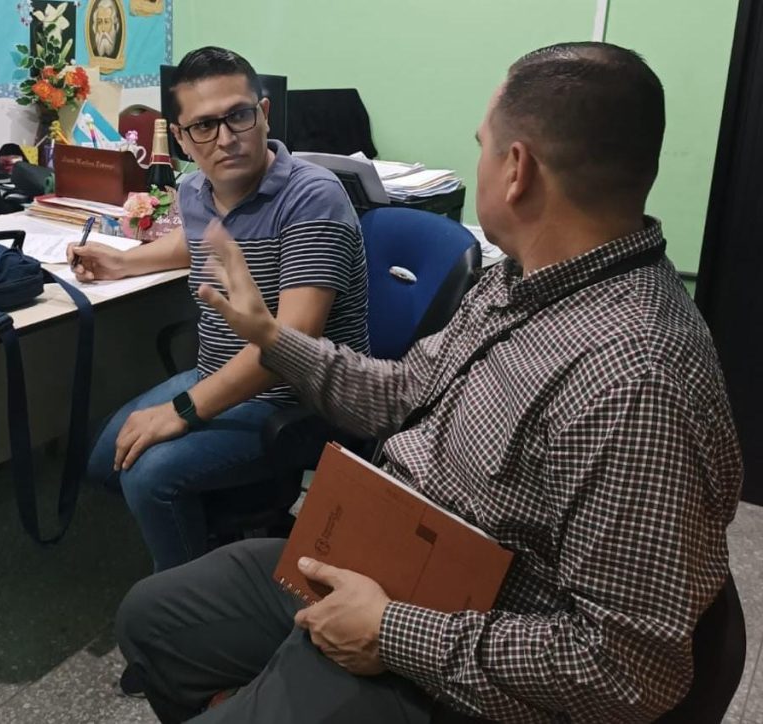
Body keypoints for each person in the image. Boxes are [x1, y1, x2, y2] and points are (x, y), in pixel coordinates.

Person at [114, 42, 743, 723]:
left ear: (516, 170)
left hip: (453, 651)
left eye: (482, 145)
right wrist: (272, 337)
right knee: (151, 620)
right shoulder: (517, 282)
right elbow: (402, 390)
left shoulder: (636, 377)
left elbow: (628, 670)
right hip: (389, 557)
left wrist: (392, 632)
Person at [70, 46, 369, 572]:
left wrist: (183, 411)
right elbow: (200, 240)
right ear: (182, 139)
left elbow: (293, 345)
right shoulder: (196, 189)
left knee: (149, 476)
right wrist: (123, 262)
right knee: (102, 460)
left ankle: (191, 604)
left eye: (239, 116)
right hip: (216, 375)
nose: (226, 138)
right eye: (204, 126)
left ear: (265, 114)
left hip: (296, 401)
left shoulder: (312, 197)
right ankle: (217, 546)